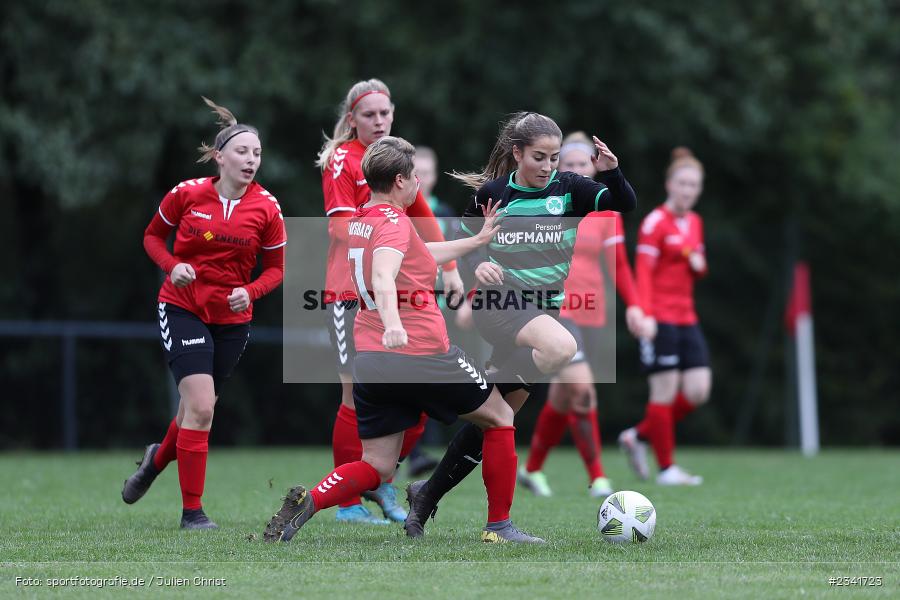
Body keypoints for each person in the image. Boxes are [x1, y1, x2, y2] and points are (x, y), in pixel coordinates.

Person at [264, 136, 542, 544]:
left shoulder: (364, 219)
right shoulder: (395, 222)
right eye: (413, 177)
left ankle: (311, 501)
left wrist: (478, 241)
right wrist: (394, 322)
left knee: (376, 465)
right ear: (399, 180)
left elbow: (420, 252)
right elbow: (383, 276)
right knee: (500, 417)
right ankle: (499, 526)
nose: (417, 185)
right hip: (420, 351)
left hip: (373, 362)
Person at [404, 112, 636, 538]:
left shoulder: (572, 189)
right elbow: (467, 243)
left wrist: (613, 173)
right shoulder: (494, 194)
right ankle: (498, 525)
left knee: (496, 418)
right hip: (499, 307)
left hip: (541, 313)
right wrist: (480, 266)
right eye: (539, 157)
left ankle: (429, 495)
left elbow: (625, 203)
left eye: (554, 157)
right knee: (561, 349)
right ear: (516, 153)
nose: (548, 166)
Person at [123, 97, 286, 529]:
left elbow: (276, 271)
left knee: (197, 409)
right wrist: (172, 265)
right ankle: (192, 513)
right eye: (242, 151)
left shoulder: (267, 208)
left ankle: (154, 462)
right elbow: (153, 237)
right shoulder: (187, 194)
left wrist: (249, 292)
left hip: (232, 321)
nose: (251, 159)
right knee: (201, 407)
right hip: (182, 309)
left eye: (257, 153)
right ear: (220, 156)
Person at [318, 79, 465, 524]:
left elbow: (421, 214)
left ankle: (376, 482)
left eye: (385, 113)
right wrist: (391, 241)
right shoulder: (343, 160)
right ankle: (346, 502)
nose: (379, 121)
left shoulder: (396, 157)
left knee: (417, 398)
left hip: (402, 294)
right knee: (352, 395)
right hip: (352, 292)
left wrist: (452, 270)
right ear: (352, 120)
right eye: (369, 115)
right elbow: (342, 230)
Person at [517, 132, 646, 499]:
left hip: (593, 314)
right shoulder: (549, 205)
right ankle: (599, 479)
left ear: (593, 167)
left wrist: (634, 305)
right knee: (584, 391)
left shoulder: (604, 210)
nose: (573, 170)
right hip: (558, 311)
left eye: (580, 164)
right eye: (566, 164)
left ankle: (532, 469)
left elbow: (617, 265)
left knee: (565, 396)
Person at [618, 147, 711, 486]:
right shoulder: (655, 222)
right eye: (683, 183)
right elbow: (643, 271)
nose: (688, 190)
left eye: (694, 185)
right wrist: (643, 313)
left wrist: (699, 267)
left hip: (687, 317)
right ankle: (667, 469)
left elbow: (696, 264)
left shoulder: (695, 223)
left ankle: (638, 435)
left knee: (699, 390)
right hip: (660, 318)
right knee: (664, 393)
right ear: (669, 184)